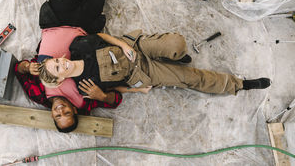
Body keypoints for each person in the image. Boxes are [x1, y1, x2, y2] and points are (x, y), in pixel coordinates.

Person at [15, 0, 149, 133]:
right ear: (75, 112)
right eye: (66, 114)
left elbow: (18, 69)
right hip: (85, 27)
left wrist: (27, 68)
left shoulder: (38, 94)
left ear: (51, 116)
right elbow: (115, 97)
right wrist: (102, 96)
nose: (61, 110)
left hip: (56, 21)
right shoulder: (82, 101)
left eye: (57, 116)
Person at [38, 30, 272, 131]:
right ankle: (240, 84)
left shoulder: (77, 47)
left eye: (57, 62)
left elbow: (101, 36)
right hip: (140, 73)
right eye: (58, 70)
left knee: (177, 44)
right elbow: (116, 90)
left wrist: (123, 45)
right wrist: (136, 92)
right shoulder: (83, 88)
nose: (62, 65)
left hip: (135, 48)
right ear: (60, 79)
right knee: (189, 79)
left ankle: (176, 56)